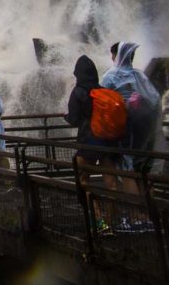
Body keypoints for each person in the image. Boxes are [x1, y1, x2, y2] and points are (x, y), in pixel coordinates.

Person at [65, 55, 123, 231]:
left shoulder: (78, 92)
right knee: (111, 182)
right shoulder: (101, 90)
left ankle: (99, 221)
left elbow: (74, 119)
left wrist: (68, 117)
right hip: (108, 140)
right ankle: (112, 221)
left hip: (89, 141)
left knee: (83, 179)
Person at [102, 41, 162, 171]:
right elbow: (155, 98)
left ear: (117, 56)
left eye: (113, 55)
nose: (112, 58)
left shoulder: (111, 75)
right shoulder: (140, 75)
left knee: (127, 165)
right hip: (145, 124)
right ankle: (146, 190)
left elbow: (102, 99)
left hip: (125, 124)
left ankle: (131, 190)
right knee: (142, 165)